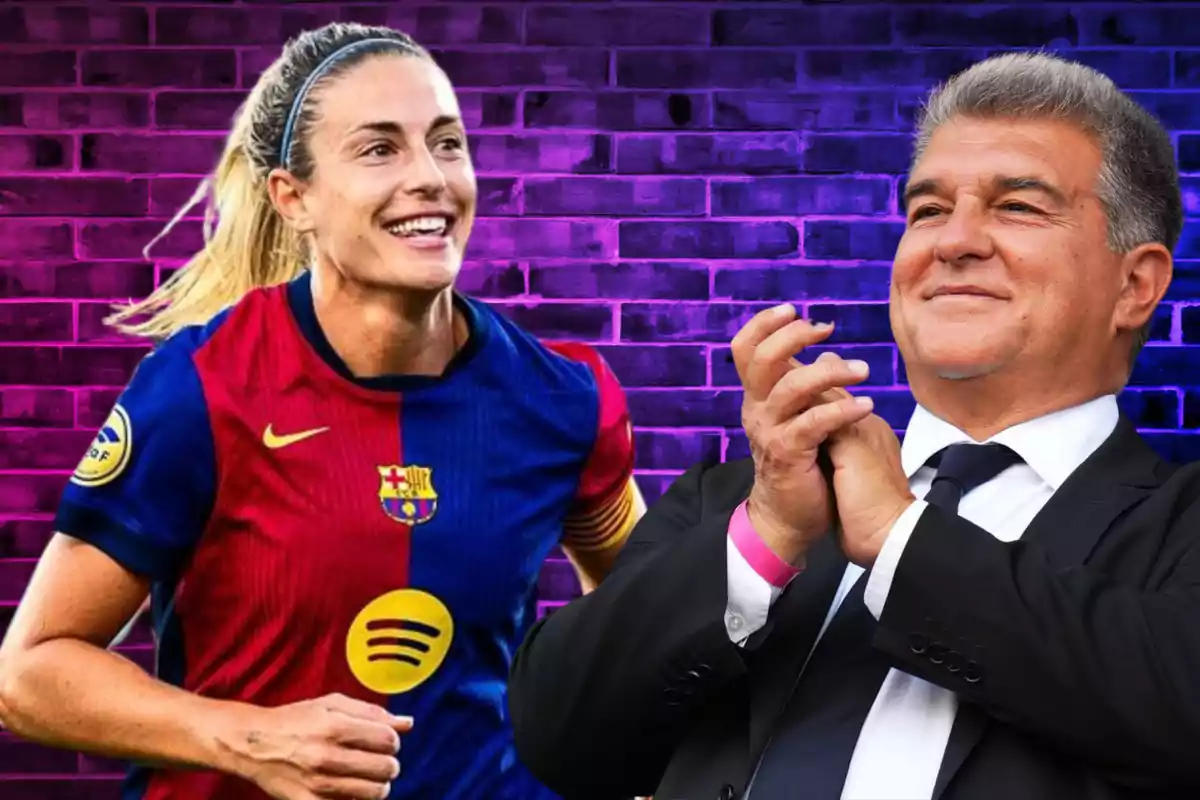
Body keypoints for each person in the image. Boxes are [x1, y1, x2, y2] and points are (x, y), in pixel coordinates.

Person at [507, 51, 1200, 800]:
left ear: (1136, 285)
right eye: (928, 210)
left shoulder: (1178, 523)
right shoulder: (739, 502)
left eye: (1017, 206)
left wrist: (901, 537)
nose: (952, 241)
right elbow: (558, 735)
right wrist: (764, 538)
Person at [0, 22, 643, 800]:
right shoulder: (202, 387)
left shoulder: (562, 398)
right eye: (380, 149)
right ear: (293, 197)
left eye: (447, 143)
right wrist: (250, 738)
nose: (431, 178)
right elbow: (30, 672)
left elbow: (641, 633)